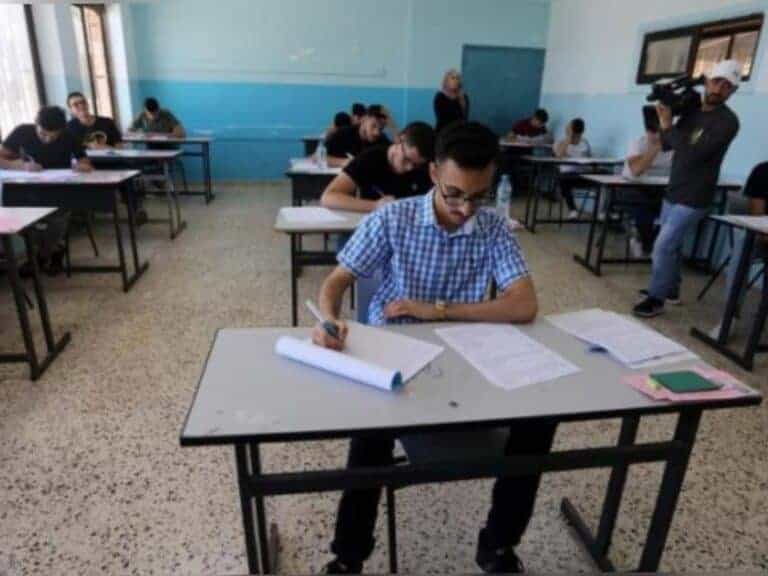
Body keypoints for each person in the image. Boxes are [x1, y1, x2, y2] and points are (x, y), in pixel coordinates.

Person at [313, 121, 555, 574]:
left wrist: (438, 311)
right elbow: (337, 280)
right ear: (433, 177)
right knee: (370, 437)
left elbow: (523, 303)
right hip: (398, 358)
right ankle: (348, 556)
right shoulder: (393, 218)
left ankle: (498, 545)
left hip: (469, 355)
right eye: (455, 194)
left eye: (479, 196)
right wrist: (329, 317)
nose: (466, 208)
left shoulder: (493, 229)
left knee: (538, 420)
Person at [634, 60, 741, 318]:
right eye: (717, 81)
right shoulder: (692, 112)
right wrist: (664, 120)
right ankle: (671, 290)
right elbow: (670, 145)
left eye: (727, 86)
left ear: (732, 92)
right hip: (674, 190)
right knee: (674, 246)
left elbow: (693, 153)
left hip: (694, 197)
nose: (719, 88)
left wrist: (669, 126)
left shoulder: (727, 122)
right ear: (707, 82)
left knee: (662, 246)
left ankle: (656, 298)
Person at [0, 106, 93, 274]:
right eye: (43, 134)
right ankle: (55, 250)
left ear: (61, 130)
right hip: (26, 189)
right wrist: (20, 166)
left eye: (53, 136)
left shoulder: (69, 135)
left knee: (56, 221)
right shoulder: (22, 131)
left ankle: (41, 256)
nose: (47, 139)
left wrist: (81, 166)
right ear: (36, 124)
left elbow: (85, 162)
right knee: (17, 221)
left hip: (58, 190)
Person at [320, 121, 435, 213]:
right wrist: (375, 205)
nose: (409, 168)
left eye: (416, 164)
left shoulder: (424, 168)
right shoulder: (370, 158)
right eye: (406, 159)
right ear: (399, 140)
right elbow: (328, 197)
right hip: (367, 223)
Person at [709, 161, 768, 338]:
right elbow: (757, 213)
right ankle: (730, 315)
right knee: (742, 247)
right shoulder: (763, 171)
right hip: (761, 234)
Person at [622, 113, 674, 258]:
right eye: (653, 132)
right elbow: (636, 170)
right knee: (643, 206)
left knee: (678, 210)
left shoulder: (674, 146)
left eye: (661, 132)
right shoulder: (638, 143)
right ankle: (646, 241)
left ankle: (650, 242)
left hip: (660, 190)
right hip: (632, 188)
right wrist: (655, 147)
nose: (657, 135)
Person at [323, 106, 390, 167]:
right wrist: (345, 162)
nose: (377, 133)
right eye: (373, 126)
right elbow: (321, 158)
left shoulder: (382, 140)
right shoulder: (343, 133)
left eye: (381, 129)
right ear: (364, 120)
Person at [553, 118, 591, 219]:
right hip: (567, 175)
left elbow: (590, 159)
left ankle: (603, 213)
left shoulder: (585, 143)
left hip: (583, 174)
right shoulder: (560, 142)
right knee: (563, 180)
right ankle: (572, 209)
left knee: (606, 175)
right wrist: (568, 139)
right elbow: (558, 155)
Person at [434, 68, 469, 133]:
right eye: (453, 78)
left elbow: (464, 117)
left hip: (459, 131)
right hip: (443, 131)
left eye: (457, 78)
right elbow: (443, 117)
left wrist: (461, 99)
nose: (455, 80)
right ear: (446, 81)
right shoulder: (440, 96)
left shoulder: (464, 97)